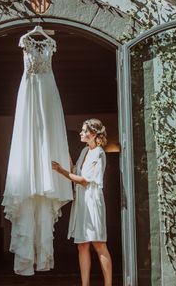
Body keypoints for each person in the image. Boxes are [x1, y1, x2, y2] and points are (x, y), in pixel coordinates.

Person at [52, 118, 113, 286]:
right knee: (82, 245)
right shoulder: (84, 151)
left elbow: (84, 180)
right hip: (81, 201)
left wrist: (60, 171)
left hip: (92, 201)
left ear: (93, 135)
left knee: (99, 244)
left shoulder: (99, 153)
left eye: (84, 131)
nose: (81, 133)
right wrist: (65, 158)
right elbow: (75, 171)